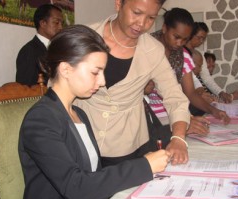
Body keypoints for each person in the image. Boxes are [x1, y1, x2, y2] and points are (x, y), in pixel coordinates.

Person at [18, 25, 170, 199]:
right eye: (95, 72)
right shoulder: (41, 120)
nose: (102, 81)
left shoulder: (79, 113)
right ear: (65, 69)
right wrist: (144, 166)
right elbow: (76, 187)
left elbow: (93, 176)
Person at [75, 0, 191, 167]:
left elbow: (175, 97)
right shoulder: (84, 36)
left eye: (151, 18)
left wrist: (179, 138)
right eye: (136, 13)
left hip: (127, 147)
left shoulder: (153, 51)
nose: (142, 24)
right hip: (80, 140)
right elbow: (58, 90)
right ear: (118, 4)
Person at [151, 8, 230, 119]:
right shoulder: (145, 48)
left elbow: (191, 93)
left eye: (184, 39)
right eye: (176, 37)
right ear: (164, 28)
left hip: (172, 116)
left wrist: (213, 110)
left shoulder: (183, 56)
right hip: (147, 119)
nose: (179, 43)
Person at [185, 22, 238, 103]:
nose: (201, 41)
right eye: (199, 37)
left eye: (203, 39)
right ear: (191, 35)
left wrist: (221, 93)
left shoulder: (200, 54)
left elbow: (206, 79)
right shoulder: (181, 53)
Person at [16, 4, 63, 86]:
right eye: (56, 22)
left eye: (61, 23)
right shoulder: (29, 51)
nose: (60, 27)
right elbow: (25, 88)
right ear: (43, 23)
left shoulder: (59, 49)